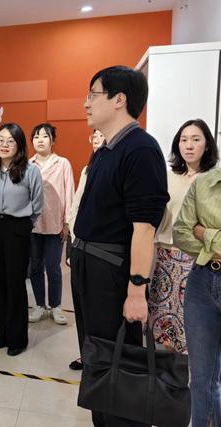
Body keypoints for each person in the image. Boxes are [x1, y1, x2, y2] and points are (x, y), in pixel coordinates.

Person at [71, 66, 169, 427]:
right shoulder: (106, 150)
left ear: (119, 100)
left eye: (92, 94)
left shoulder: (140, 149)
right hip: (89, 266)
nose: (86, 103)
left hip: (111, 273)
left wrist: (136, 291)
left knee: (118, 363)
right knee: (97, 359)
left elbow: (144, 229)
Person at [150, 119, 219, 354]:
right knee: (165, 323)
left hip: (198, 260)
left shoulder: (213, 179)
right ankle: (171, 373)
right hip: (166, 258)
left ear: (207, 145)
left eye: (196, 139)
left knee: (197, 326)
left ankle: (194, 374)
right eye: (184, 139)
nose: (189, 145)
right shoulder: (167, 177)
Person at [0, 122, 43, 356]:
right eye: (0, 140)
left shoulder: (30, 171)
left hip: (17, 229)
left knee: (15, 284)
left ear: (19, 145)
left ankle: (17, 338)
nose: (4, 145)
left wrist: (24, 225)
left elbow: (37, 205)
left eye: (10, 141)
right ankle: (2, 334)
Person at [173, 147, 221, 427]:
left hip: (204, 266)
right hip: (202, 281)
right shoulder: (204, 183)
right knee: (201, 378)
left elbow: (194, 231)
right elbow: (181, 232)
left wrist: (205, 233)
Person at [28, 123, 75, 325]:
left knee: (54, 268)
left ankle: (55, 306)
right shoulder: (28, 165)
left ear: (53, 140)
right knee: (35, 268)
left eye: (45, 136)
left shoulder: (62, 163)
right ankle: (39, 305)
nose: (40, 140)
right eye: (36, 136)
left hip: (55, 225)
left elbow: (69, 194)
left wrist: (67, 224)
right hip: (33, 226)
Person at [67, 129, 104, 371]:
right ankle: (86, 355)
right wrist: (74, 238)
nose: (97, 140)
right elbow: (76, 206)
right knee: (81, 307)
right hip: (80, 246)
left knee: (98, 310)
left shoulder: (118, 165)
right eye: (94, 136)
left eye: (101, 135)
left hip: (103, 251)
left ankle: (100, 358)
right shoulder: (87, 169)